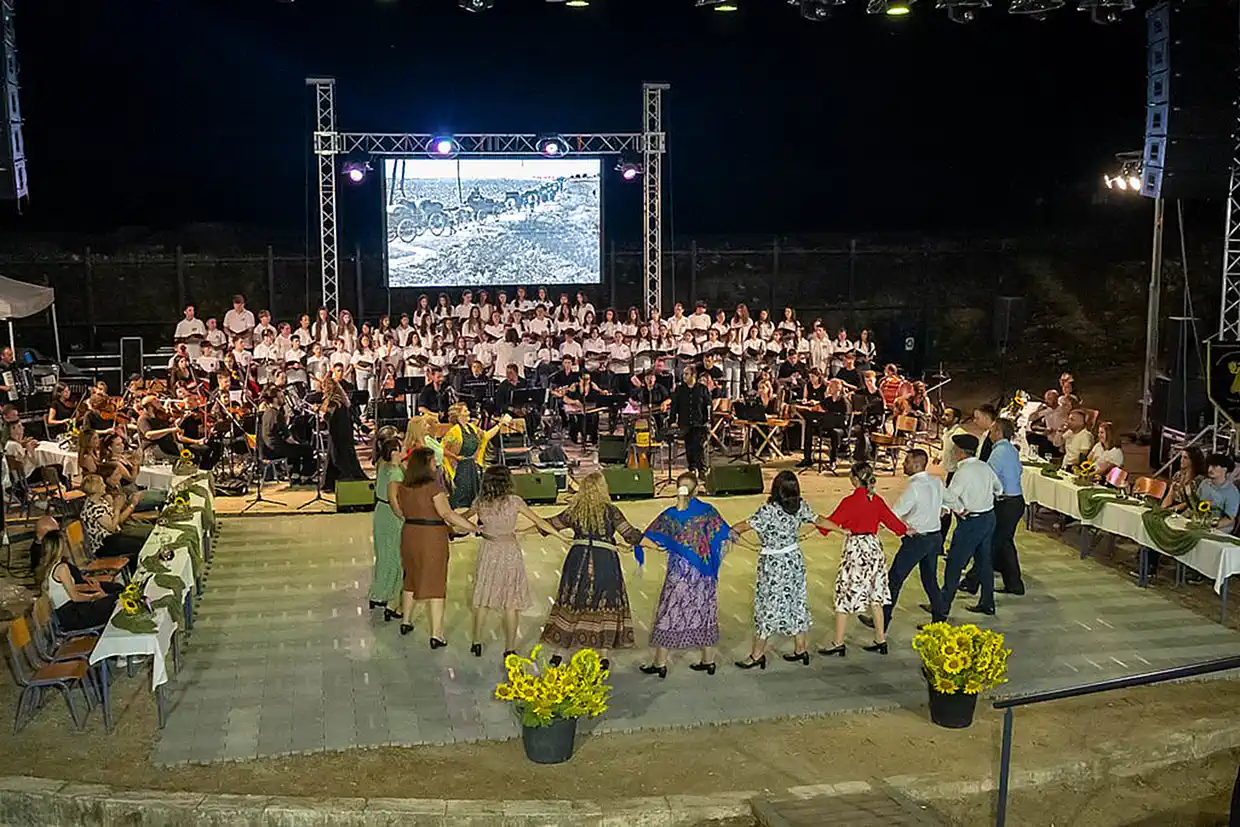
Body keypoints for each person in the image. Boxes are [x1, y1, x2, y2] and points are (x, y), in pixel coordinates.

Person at [540, 471, 644, 670]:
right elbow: (631, 535)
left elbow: (547, 525)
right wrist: (655, 544)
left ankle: (559, 653)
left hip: (578, 561)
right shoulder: (611, 511)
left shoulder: (574, 511)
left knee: (574, 601)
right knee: (604, 602)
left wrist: (518, 529)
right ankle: (603, 655)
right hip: (605, 560)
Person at [732, 470, 832, 669]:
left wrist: (726, 535)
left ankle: (757, 654)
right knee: (797, 602)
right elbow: (820, 520)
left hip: (773, 565)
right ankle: (801, 648)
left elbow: (741, 526)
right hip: (794, 561)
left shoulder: (768, 511)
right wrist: (842, 529)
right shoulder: (800, 507)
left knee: (767, 607)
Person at [638, 472, 733, 678]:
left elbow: (650, 537)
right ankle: (708, 661)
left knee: (670, 612)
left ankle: (660, 662)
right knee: (704, 612)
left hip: (679, 572)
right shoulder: (708, 511)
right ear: (696, 489)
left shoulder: (671, 514)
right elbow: (725, 536)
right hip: (704, 573)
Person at [462, 465, 560, 658]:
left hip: (488, 550)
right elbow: (539, 521)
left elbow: (461, 519)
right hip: (509, 552)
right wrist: (559, 535)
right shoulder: (515, 502)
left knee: (483, 598)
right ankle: (510, 648)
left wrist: (474, 528)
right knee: (511, 601)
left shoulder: (480, 502)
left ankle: (477, 642)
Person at [388, 447, 478, 646]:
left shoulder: (403, 487)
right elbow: (447, 514)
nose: (435, 465)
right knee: (436, 583)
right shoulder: (434, 487)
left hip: (410, 533)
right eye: (432, 462)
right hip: (431, 537)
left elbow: (399, 509)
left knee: (410, 577)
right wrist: (473, 527)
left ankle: (406, 621)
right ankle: (436, 634)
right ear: (425, 465)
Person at [817, 461, 906, 656]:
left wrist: (818, 522)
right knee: (876, 594)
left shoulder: (850, 501)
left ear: (855, 479)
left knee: (844, 593)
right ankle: (880, 639)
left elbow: (827, 525)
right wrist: (906, 530)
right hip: (874, 548)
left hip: (856, 550)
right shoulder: (876, 499)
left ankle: (838, 641)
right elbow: (893, 523)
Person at [860, 449, 945, 634]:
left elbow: (893, 515)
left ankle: (883, 620)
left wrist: (870, 527)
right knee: (930, 579)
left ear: (916, 465)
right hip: (934, 536)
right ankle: (940, 618)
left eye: (906, 461)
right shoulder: (936, 481)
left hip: (917, 540)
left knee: (895, 579)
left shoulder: (914, 488)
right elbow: (946, 501)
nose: (903, 464)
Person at [934, 433, 1003, 622]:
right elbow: (999, 488)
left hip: (971, 522)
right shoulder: (984, 466)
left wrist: (958, 509)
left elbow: (950, 496)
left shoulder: (962, 473)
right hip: (988, 517)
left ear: (960, 452)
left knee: (955, 565)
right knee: (984, 562)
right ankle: (987, 602)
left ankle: (941, 610)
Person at [37, 531, 121, 631]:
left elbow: (67, 589)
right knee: (114, 601)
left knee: (114, 597)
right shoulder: (62, 568)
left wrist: (92, 589)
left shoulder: (50, 567)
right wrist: (95, 597)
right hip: (72, 614)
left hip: (64, 614)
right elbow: (75, 597)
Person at [442, 403, 508, 509]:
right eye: (465, 411)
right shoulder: (454, 431)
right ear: (458, 415)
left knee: (475, 497)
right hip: (460, 467)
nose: (468, 412)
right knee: (461, 496)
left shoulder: (472, 427)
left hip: (472, 465)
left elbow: (486, 436)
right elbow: (443, 448)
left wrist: (500, 425)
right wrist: (454, 457)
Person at [367, 438, 405, 621]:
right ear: (394, 452)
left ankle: (377, 593)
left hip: (380, 512)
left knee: (383, 554)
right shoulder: (396, 473)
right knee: (394, 557)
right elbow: (394, 499)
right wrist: (403, 517)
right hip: (391, 516)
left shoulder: (383, 466)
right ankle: (388, 595)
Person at [80, 473, 145, 565]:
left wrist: (126, 506)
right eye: (102, 484)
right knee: (140, 545)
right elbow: (113, 528)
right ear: (96, 489)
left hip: (113, 537)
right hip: (104, 544)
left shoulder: (100, 501)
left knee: (142, 540)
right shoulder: (94, 508)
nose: (105, 486)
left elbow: (117, 521)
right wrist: (117, 508)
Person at [321, 375, 366, 488]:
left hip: (337, 434)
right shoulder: (342, 400)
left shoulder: (333, 402)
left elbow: (328, 417)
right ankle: (330, 482)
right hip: (345, 432)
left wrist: (319, 412)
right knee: (338, 456)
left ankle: (339, 480)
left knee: (337, 457)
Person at [670, 365, 712, 475]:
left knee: (698, 446)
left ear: (693, 375)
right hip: (685, 423)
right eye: (684, 374)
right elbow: (675, 406)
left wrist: (708, 421)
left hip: (699, 424)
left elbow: (708, 406)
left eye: (686, 374)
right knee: (689, 447)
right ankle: (692, 468)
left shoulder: (702, 389)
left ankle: (702, 469)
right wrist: (672, 421)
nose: (684, 376)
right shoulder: (680, 389)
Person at [1199, 453, 1240, 534]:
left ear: (1225, 469)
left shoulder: (1232, 492)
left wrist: (1211, 525)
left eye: (1214, 467)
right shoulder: (1204, 483)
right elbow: (1195, 503)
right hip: (1201, 521)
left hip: (1221, 526)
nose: (1210, 469)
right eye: (1209, 466)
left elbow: (1230, 519)